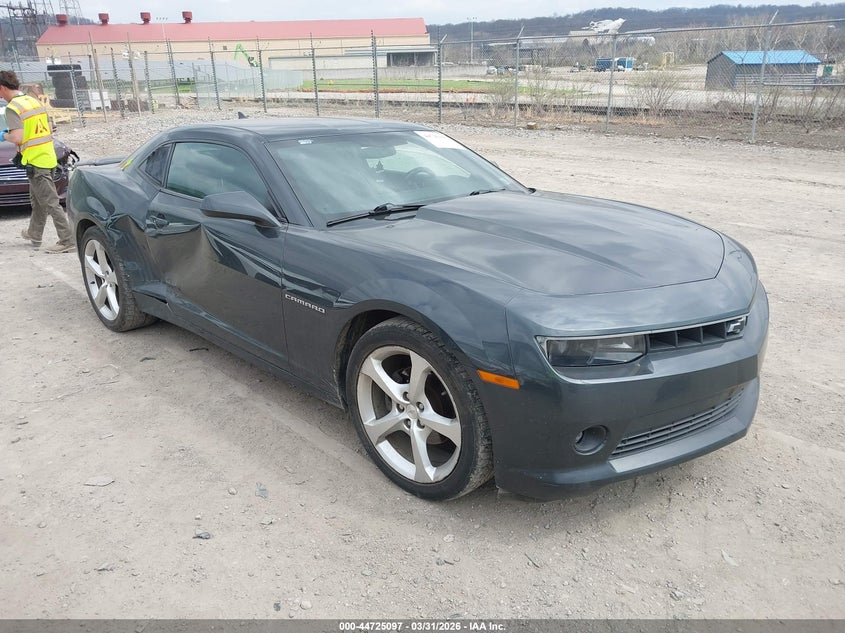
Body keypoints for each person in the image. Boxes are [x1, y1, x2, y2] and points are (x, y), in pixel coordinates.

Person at [0, 70, 75, 253]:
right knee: (38, 200)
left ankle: (67, 240)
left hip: (36, 162)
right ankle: (34, 233)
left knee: (50, 202)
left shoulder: (13, 108)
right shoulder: (33, 101)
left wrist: (4, 135)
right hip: (47, 157)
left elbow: (17, 137)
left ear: (2, 88)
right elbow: (49, 127)